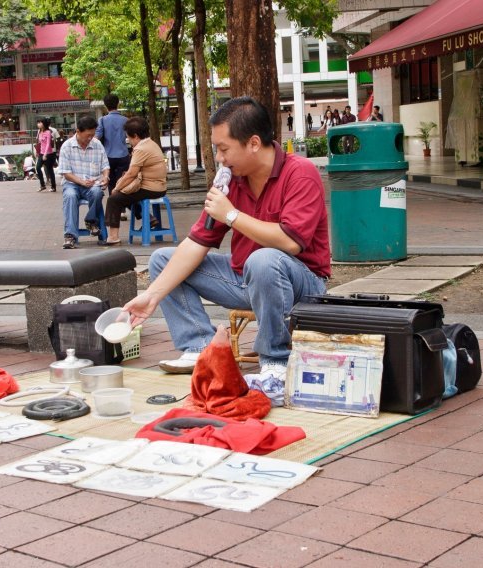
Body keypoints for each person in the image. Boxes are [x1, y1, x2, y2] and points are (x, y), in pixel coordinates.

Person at [124, 97, 330, 390]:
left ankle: (276, 362)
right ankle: (202, 349)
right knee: (163, 259)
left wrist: (231, 215)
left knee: (264, 260)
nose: (219, 158)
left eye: (224, 149)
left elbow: (290, 242)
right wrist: (153, 296)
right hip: (245, 279)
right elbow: (197, 241)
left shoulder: (300, 173)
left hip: (302, 285)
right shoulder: (230, 180)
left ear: (254, 143)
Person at [103, 117, 168, 246]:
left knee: (114, 198)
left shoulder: (141, 149)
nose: (128, 140)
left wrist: (117, 188)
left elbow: (131, 174)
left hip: (151, 188)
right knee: (126, 195)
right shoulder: (151, 144)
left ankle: (113, 237)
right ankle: (148, 218)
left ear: (136, 136)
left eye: (128, 137)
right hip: (158, 186)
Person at [58, 115, 109, 249]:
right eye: (88, 135)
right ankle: (70, 236)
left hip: (92, 184)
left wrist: (105, 177)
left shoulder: (97, 144)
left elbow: (105, 166)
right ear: (78, 132)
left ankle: (91, 220)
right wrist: (80, 181)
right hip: (72, 183)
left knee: (97, 193)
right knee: (70, 196)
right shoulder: (67, 146)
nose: (90, 138)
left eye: (92, 135)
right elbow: (65, 173)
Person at [96, 93, 131, 195]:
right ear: (118, 104)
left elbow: (97, 137)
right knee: (123, 181)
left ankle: (115, 206)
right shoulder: (125, 120)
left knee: (111, 182)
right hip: (123, 155)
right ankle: (123, 207)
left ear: (106, 106)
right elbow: (130, 137)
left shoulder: (102, 120)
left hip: (108, 156)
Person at [35, 118, 57, 192]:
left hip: (48, 153)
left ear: (43, 124)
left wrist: (45, 154)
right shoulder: (39, 132)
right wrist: (37, 152)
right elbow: (40, 143)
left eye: (40, 122)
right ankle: (42, 185)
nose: (38, 124)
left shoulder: (48, 132)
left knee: (50, 170)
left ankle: (53, 187)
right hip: (41, 153)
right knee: (38, 168)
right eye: (38, 122)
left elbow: (48, 144)